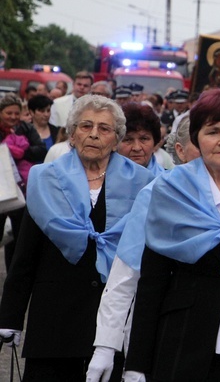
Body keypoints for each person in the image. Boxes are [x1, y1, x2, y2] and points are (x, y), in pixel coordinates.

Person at [123, 88, 220, 381]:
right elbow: (152, 283)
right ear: (196, 137)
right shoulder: (171, 190)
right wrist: (136, 363)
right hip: (183, 342)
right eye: (213, 131)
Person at [0, 95, 154, 380]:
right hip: (54, 318)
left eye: (104, 129)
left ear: (116, 138)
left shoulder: (142, 182)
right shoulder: (45, 178)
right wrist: (10, 317)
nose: (94, 134)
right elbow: (25, 255)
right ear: (72, 134)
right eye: (86, 126)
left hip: (113, 321)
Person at [86, 118, 200, 382]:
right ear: (180, 151)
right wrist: (106, 346)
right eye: (203, 138)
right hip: (165, 330)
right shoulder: (158, 193)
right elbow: (125, 273)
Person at [0, 93, 46, 269]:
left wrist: (18, 151)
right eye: (8, 113)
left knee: (18, 236)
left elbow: (41, 150)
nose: (13, 117)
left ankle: (13, 270)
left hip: (21, 189)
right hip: (2, 186)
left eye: (16, 113)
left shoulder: (26, 128)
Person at [117, 102, 163, 176]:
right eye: (128, 140)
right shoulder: (100, 182)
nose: (137, 148)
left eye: (144, 139)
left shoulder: (169, 183)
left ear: (155, 142)